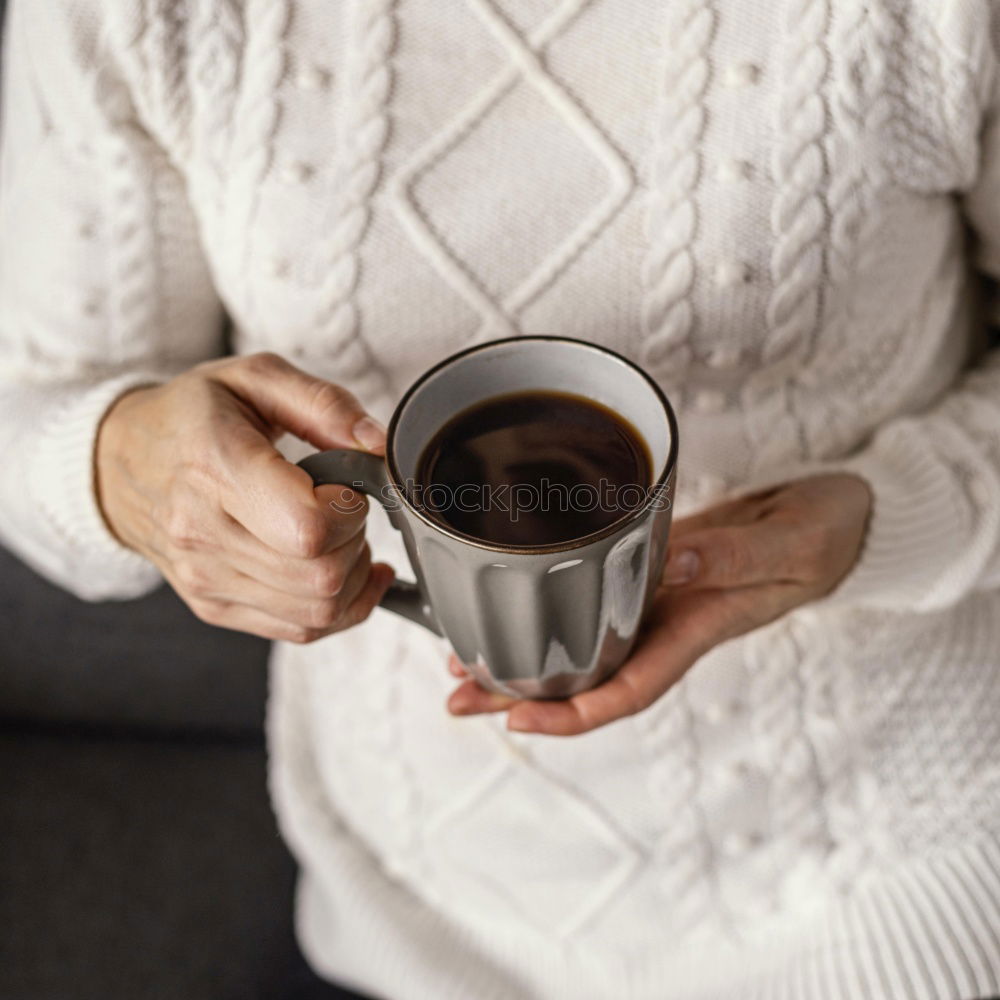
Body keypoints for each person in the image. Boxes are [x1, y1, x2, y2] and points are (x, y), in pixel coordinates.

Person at [1, 1, 999, 998]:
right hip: (418, 894)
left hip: (897, 854)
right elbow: (30, 405)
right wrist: (119, 463)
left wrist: (887, 514)